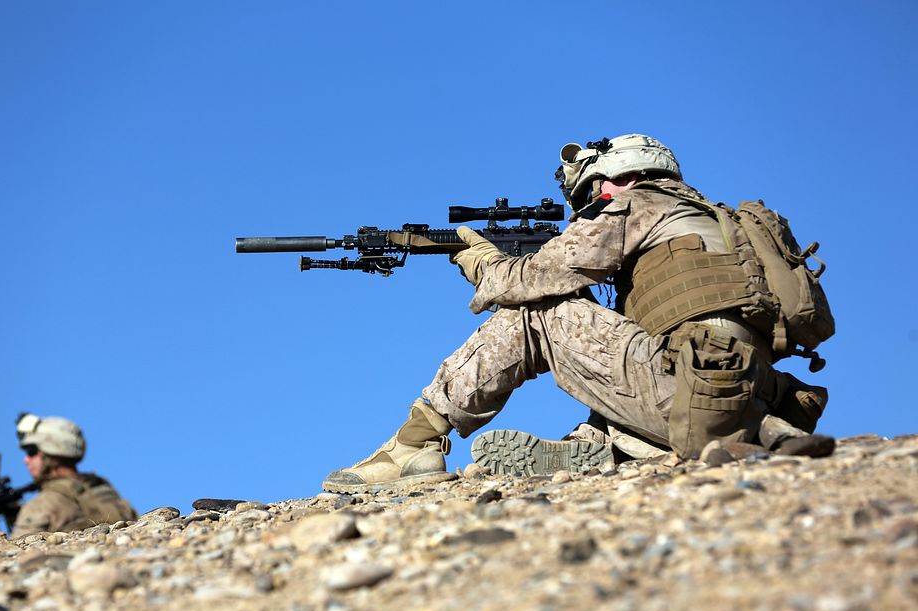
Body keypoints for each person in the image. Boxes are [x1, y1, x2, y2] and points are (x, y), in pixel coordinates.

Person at [322, 134, 832, 491]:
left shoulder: (640, 204)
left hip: (693, 392)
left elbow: (522, 282)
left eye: (593, 193)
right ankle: (602, 444)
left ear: (626, 175)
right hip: (747, 392)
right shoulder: (719, 221)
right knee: (626, 336)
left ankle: (413, 444)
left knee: (539, 309)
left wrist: (480, 257)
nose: (589, 209)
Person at [0, 414, 137, 537]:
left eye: (32, 451)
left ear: (52, 452)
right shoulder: (99, 485)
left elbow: (11, 554)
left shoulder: (43, 504)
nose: (26, 460)